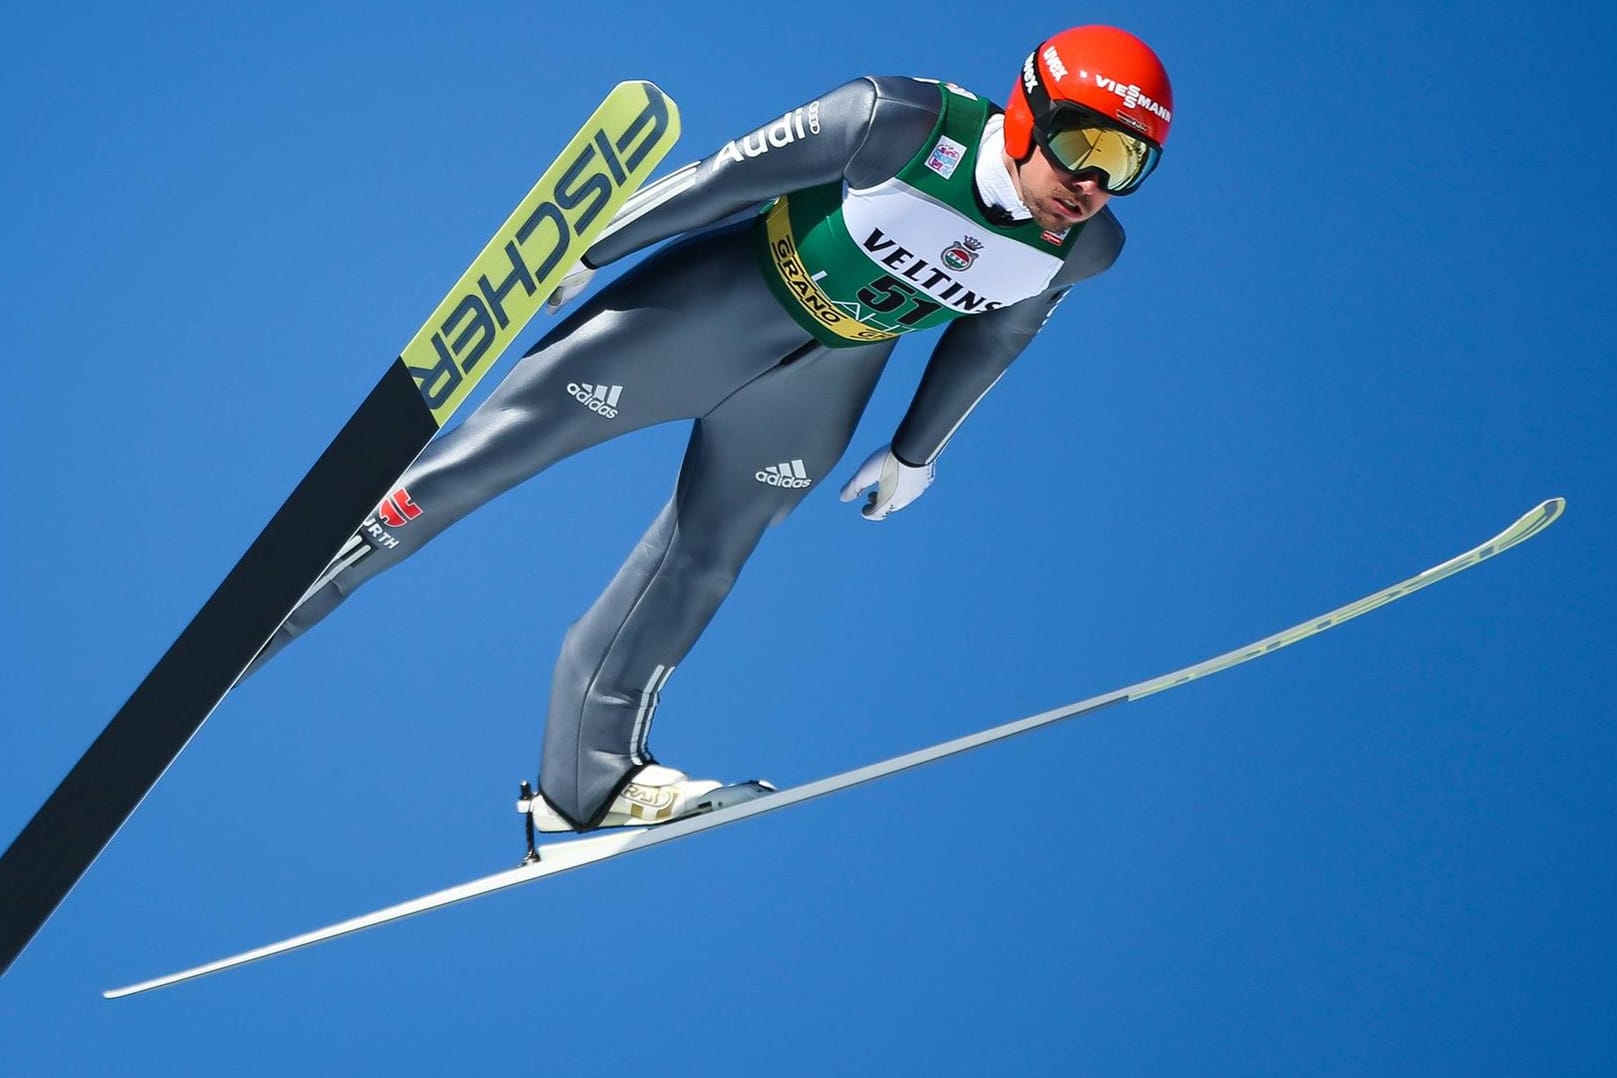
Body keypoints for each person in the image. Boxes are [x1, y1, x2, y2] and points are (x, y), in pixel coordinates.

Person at [248, 25, 1174, 833]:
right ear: (1025, 112)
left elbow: (995, 338)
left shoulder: (1085, 249)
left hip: (821, 387)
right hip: (704, 313)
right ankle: (273, 609)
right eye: (1080, 142)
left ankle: (590, 785)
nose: (1092, 182)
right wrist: (586, 246)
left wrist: (913, 451)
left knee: (701, 564)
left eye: (1126, 165)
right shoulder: (894, 120)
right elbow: (725, 180)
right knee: (489, 458)